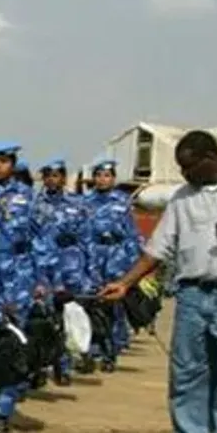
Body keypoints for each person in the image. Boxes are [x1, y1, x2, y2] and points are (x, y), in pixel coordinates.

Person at [102, 130, 217, 433]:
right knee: (187, 375)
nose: (183, 175)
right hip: (192, 295)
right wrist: (126, 282)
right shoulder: (182, 198)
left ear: (210, 158)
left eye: (188, 167)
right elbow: (158, 248)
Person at [0, 142, 49, 433]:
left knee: (11, 345)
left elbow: (42, 241)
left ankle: (2, 410)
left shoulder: (27, 199)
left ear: (12, 164)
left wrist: (40, 280)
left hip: (16, 277)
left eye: (2, 161)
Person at [35, 157, 91, 385]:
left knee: (66, 316)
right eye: (48, 175)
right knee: (45, 316)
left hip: (70, 266)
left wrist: (88, 270)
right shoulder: (35, 204)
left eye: (56, 175)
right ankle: (43, 363)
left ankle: (64, 365)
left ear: (63, 177)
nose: (51, 179)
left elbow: (86, 238)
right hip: (44, 267)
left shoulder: (76, 204)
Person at [87, 158, 142, 371]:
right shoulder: (85, 201)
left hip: (116, 256)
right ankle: (92, 350)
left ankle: (111, 351)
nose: (102, 179)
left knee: (113, 304)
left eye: (107, 175)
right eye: (99, 175)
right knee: (91, 302)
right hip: (93, 254)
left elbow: (132, 234)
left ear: (113, 178)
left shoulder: (122, 201)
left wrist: (132, 264)